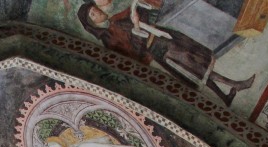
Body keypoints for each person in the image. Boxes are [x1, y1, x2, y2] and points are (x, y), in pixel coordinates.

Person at [77, 0, 255, 107]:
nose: (98, 13)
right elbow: (134, 53)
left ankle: (225, 96)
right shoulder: (109, 39)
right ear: (93, 24)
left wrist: (137, 10)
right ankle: (234, 85)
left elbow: (142, 10)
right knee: (194, 67)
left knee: (197, 65)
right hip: (158, 49)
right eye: (94, 15)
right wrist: (137, 26)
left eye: (95, 9)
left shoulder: (116, 19)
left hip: (164, 37)